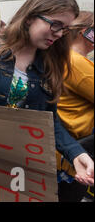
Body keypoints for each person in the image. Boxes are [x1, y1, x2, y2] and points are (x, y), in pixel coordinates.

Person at [0, 0, 94, 201]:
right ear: (30, 17)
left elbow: (49, 120)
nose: (60, 34)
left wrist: (76, 153)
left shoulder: (51, 66)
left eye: (65, 28)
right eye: (55, 24)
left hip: (22, 165)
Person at [56, 11, 94, 201]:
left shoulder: (65, 56)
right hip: (75, 148)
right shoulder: (78, 63)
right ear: (85, 31)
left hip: (63, 146)